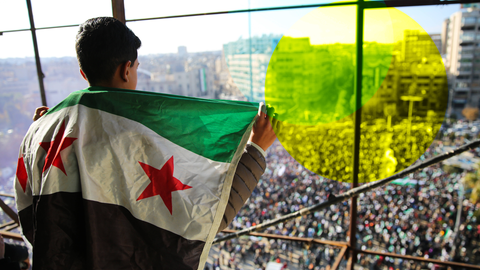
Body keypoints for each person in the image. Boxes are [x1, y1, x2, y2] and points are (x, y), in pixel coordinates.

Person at [18, 17, 278, 269]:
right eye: (137, 68)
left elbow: (34, 224)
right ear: (126, 69)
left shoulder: (39, 131)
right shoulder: (135, 136)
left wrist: (44, 126)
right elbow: (205, 217)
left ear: (83, 72)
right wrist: (255, 149)